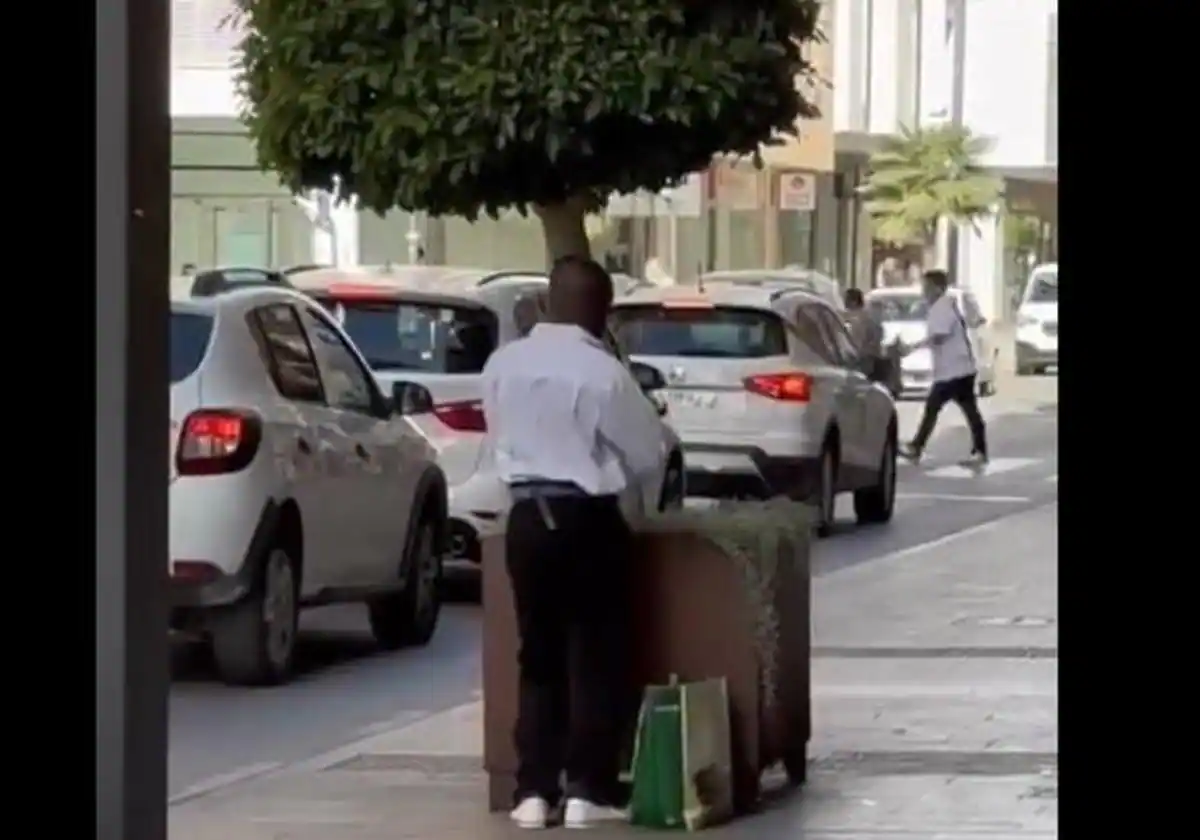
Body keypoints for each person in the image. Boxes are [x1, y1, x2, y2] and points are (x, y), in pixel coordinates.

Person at [481, 256, 664, 830]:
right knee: (595, 653)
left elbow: (498, 435)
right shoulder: (605, 373)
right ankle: (589, 789)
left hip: (527, 521)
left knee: (537, 656)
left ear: (547, 304)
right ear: (602, 312)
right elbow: (647, 452)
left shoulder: (503, 364)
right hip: (587, 518)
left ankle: (533, 791)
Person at [896, 270, 989, 467]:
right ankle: (979, 451)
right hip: (958, 368)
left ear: (938, 289)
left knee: (935, 407)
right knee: (968, 411)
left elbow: (939, 335)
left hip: (953, 370)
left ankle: (917, 447)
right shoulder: (943, 306)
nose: (924, 292)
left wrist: (912, 347)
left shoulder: (942, 307)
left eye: (927, 288)